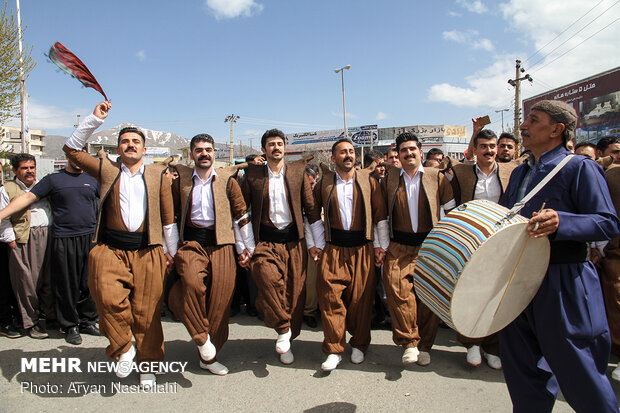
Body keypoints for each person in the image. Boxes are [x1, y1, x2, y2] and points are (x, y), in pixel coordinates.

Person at [498, 100, 619, 412]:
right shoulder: (520, 172)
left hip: (564, 281)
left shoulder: (580, 168)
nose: (522, 127)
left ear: (556, 129)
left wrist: (563, 222)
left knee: (580, 372)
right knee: (524, 374)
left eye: (533, 121)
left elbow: (607, 222)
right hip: (519, 282)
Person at [63, 101, 178, 389]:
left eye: (135, 142)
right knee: (106, 297)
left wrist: (171, 252)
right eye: (124, 142)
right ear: (117, 149)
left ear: (144, 148)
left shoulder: (158, 174)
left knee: (147, 312)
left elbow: (168, 218)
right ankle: (123, 347)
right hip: (110, 249)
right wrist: (94, 119)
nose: (130, 145)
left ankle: (149, 364)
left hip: (148, 250)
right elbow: (72, 151)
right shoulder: (106, 169)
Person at [166, 134, 255, 376]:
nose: (204, 153)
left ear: (215, 153)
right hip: (191, 243)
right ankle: (201, 338)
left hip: (223, 245)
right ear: (192, 154)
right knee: (192, 286)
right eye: (198, 150)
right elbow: (170, 216)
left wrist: (247, 249)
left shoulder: (228, 180)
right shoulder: (181, 180)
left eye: (208, 149)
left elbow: (242, 216)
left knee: (220, 305)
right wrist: (171, 251)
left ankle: (209, 356)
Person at [241, 129, 324, 365]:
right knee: (265, 276)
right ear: (264, 149)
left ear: (284, 148)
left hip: (294, 242)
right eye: (271, 144)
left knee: (295, 294)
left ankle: (286, 337)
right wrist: (245, 246)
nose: (276, 148)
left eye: (279, 144)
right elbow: (242, 212)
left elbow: (311, 212)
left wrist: (316, 244)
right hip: (265, 241)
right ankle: (283, 326)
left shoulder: (297, 172)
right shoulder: (253, 175)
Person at [0, 151, 100, 345]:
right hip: (63, 238)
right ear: (68, 157)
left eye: (82, 156)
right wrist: (2, 215)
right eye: (75, 155)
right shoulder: (53, 180)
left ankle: (87, 321)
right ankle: (70, 325)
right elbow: (27, 198)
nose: (78, 160)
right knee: (66, 284)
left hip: (89, 237)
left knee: (89, 283)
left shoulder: (93, 180)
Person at [444, 128, 517, 369]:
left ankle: (492, 347)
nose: (489, 150)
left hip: (501, 243)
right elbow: (450, 205)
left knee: (495, 296)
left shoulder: (510, 172)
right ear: (475, 150)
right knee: (471, 294)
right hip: (470, 242)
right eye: (483, 146)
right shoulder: (462, 173)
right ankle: (472, 344)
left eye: (493, 146)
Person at [312, 138, 388, 371]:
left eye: (351, 151)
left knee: (360, 302)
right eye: (343, 152)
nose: (348, 155)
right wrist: (316, 244)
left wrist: (380, 246)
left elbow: (380, 216)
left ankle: (359, 344)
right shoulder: (323, 183)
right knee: (330, 299)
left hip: (362, 249)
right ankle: (334, 349)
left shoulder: (368, 180)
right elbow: (314, 216)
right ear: (333, 159)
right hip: (333, 249)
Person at [382, 132, 456, 366]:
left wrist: (447, 245)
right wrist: (381, 245)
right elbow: (381, 216)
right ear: (399, 154)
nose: (408, 153)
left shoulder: (437, 177)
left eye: (412, 149)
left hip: (430, 246)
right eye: (404, 150)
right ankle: (410, 342)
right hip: (398, 246)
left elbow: (451, 212)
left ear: (420, 152)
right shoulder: (389, 178)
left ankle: (424, 346)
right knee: (396, 289)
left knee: (428, 298)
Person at [0, 153, 54, 339]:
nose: (29, 171)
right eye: (24, 168)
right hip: (23, 239)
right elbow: (4, 218)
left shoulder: (44, 185)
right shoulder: (8, 189)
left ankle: (49, 317)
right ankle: (30, 323)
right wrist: (11, 240)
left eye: (32, 167)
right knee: (25, 283)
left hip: (47, 236)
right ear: (15, 170)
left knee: (46, 281)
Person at [303, 163, 320, 329]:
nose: (311, 187)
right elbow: (306, 221)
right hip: (306, 243)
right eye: (308, 185)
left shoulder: (321, 192)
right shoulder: (296, 194)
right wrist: (311, 245)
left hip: (322, 242)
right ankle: (308, 312)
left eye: (313, 183)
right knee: (309, 281)